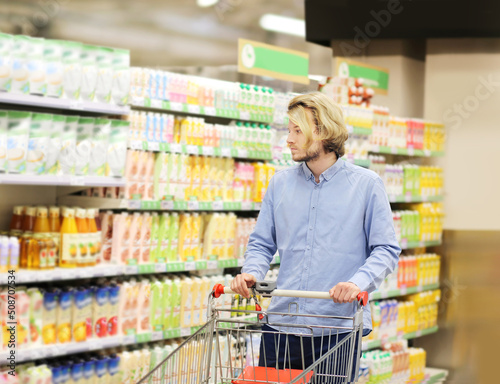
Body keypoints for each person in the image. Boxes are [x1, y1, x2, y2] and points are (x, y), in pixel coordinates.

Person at [230, 91, 401, 382]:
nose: (289, 139)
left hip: (336, 330)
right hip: (281, 327)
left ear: (322, 132)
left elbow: (385, 249)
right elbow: (261, 243)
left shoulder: (366, 185)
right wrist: (251, 272)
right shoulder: (280, 184)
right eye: (289, 130)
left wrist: (355, 283)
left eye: (298, 130)